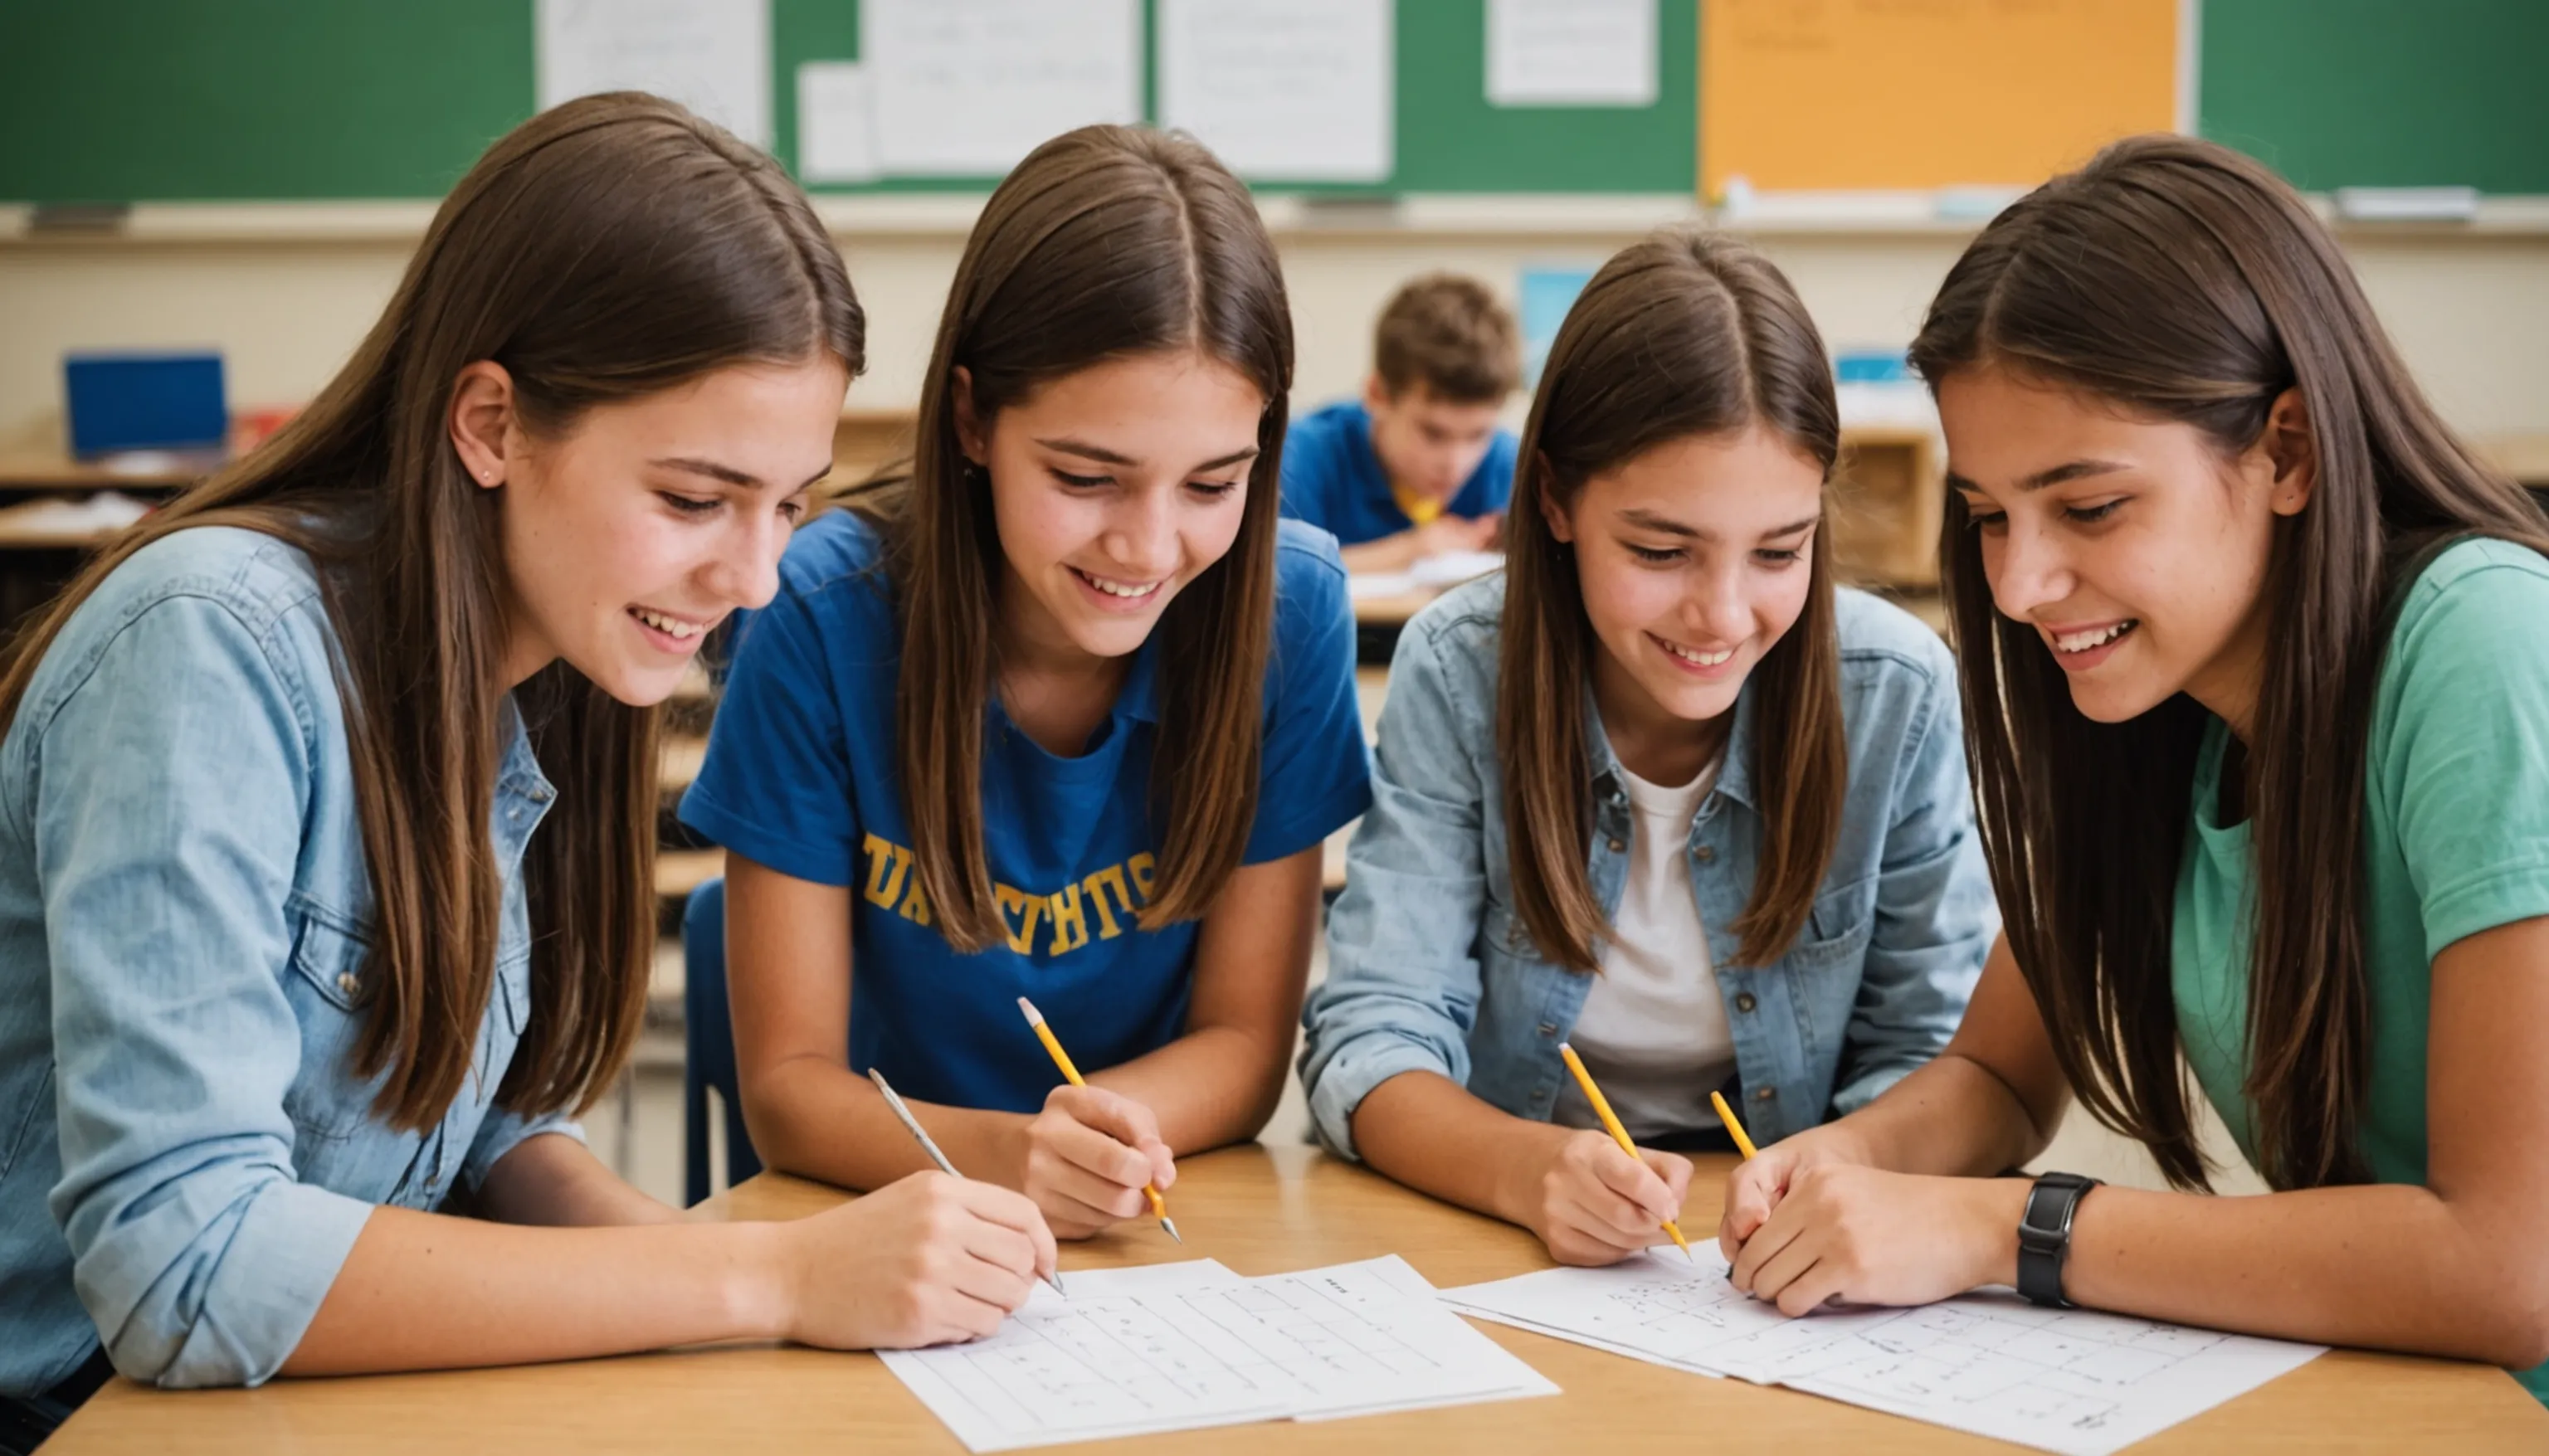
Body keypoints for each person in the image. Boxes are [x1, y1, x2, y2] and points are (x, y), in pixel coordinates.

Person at [0, 95, 1058, 1452]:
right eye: (692, 499)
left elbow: (486, 1135)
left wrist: (763, 1299)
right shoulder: (212, 642)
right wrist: (766, 1276)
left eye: (786, 504)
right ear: (492, 425)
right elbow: (185, 1267)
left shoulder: (544, 658)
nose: (752, 580)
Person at [1715, 135, 2549, 1405]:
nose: (2017, 584)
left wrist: (2010, 1228)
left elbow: (2509, 1263)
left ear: (2288, 452)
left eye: (2090, 507)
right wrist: (1843, 1162)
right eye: (1991, 514)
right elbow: (1998, 1073)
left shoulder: (2487, 642)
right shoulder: (2161, 705)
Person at [680, 125, 1371, 1244]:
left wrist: (1105, 1142)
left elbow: (1246, 1050)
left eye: (1213, 481)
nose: (1148, 546)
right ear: (972, 420)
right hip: (887, 1223)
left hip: (1144, 1218)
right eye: (1087, 476)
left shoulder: (1289, 612)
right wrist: (1019, 1155)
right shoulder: (819, 610)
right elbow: (792, 1087)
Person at [1300, 228, 1996, 1266]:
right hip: (1508, 1228)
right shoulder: (1461, 667)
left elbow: (1948, 1061)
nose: (1720, 615)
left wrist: (1841, 1168)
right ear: (1555, 503)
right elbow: (1372, 1033)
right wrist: (1523, 1168)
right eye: (1661, 550)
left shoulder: (1894, 691)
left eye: (1778, 551)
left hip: (1795, 1236)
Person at [1282, 272, 1521, 572]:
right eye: (1433, 433)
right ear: (1378, 395)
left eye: (1477, 435)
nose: (1455, 463)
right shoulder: (1301, 456)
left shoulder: (1509, 464)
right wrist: (1411, 550)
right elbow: (1276, 574)